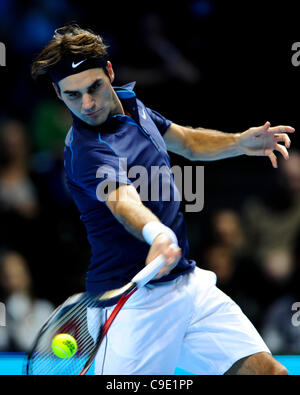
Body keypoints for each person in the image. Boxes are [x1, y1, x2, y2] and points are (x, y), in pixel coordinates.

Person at [31, 23, 294, 375]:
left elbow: (187, 141)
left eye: (93, 87)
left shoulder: (132, 105)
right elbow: (122, 201)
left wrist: (239, 143)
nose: (88, 103)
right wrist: (156, 233)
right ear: (58, 94)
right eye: (72, 95)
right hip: (131, 304)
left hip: (187, 285)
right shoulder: (87, 151)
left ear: (109, 72)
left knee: (270, 373)